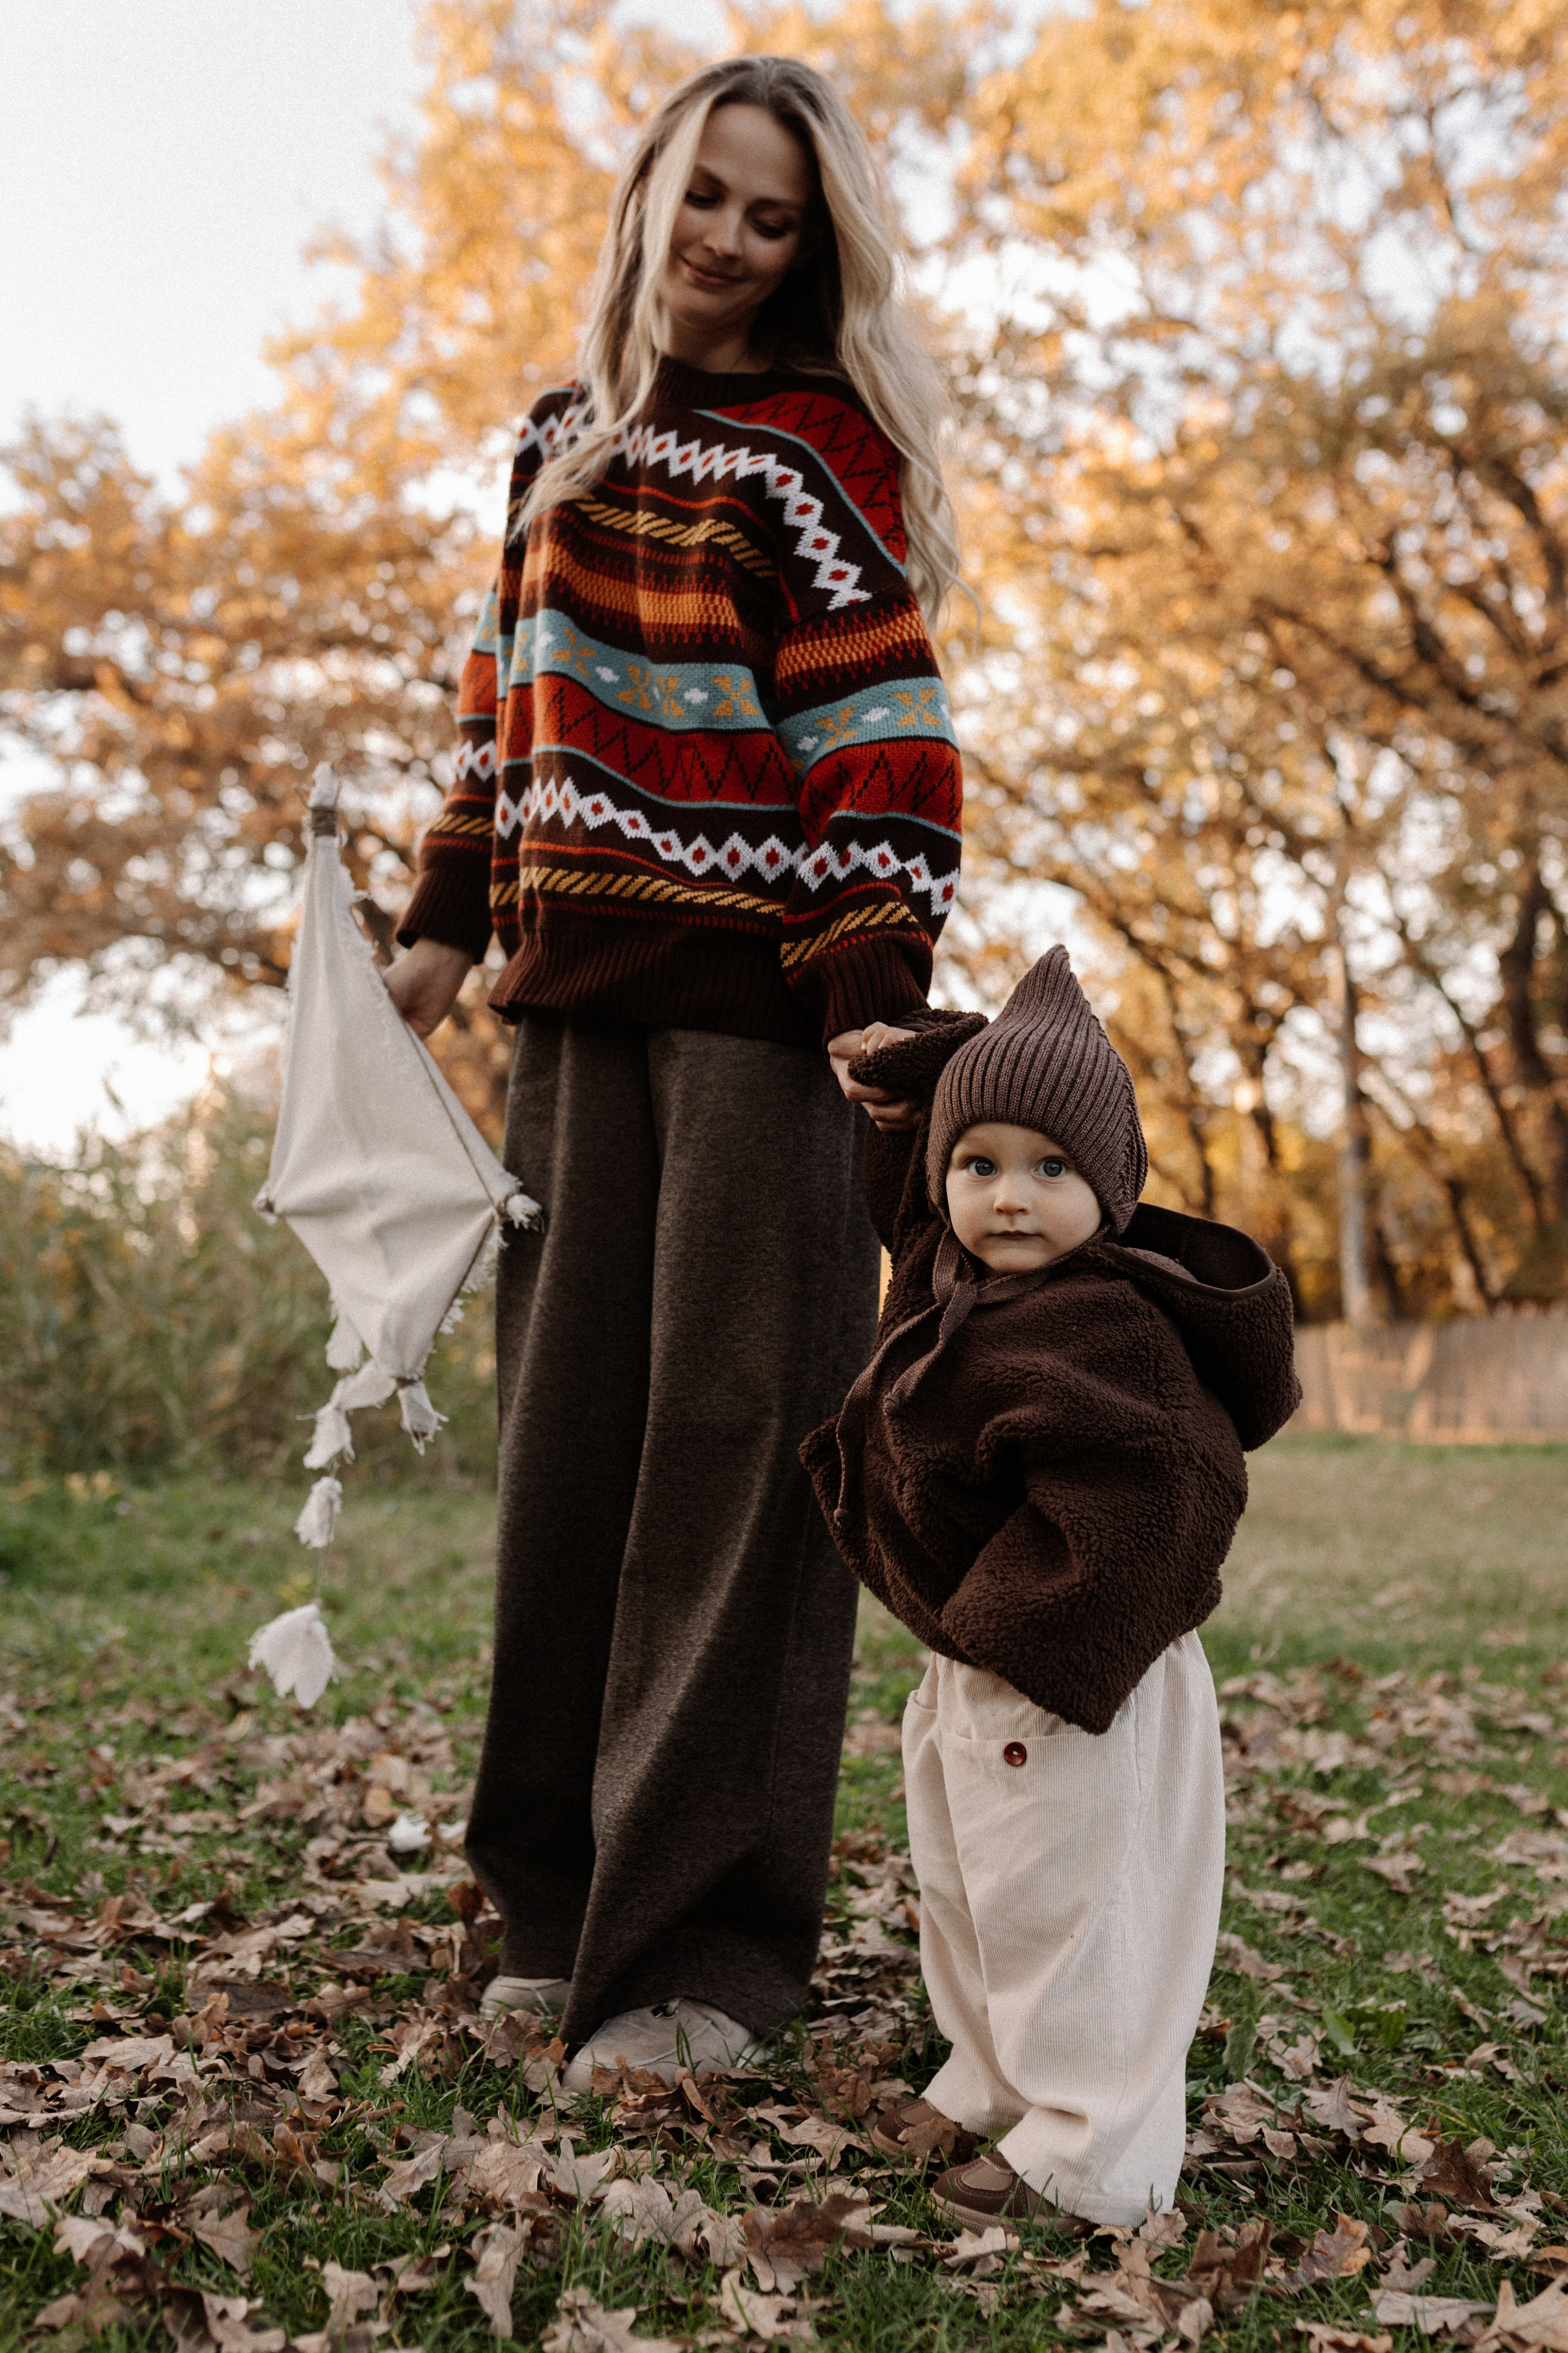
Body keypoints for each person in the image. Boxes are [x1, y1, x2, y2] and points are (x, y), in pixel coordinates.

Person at [384, 55, 964, 2088]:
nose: (724, 235)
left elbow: (881, 731)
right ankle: (551, 1909)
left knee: (737, 1456)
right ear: (645, 197)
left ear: (811, 251)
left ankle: (708, 1956)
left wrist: (878, 982)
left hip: (763, 1015)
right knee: (569, 1463)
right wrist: (442, 925)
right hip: (570, 1009)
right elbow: (494, 707)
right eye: (701, 195)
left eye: (771, 214)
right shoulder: (555, 442)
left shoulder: (821, 455)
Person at [801, 949, 1302, 2224]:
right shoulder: (960, 1282)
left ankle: (1091, 2153)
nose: (1006, 1196)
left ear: (1110, 1189)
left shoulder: (1111, 1328)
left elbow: (1171, 1488)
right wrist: (926, 1073)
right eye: (977, 1165)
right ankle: (991, 2077)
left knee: (1075, 1909)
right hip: (974, 1657)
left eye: (1048, 1167)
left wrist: (1028, 1629)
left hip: (1075, 1661)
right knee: (972, 1887)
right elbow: (912, 1197)